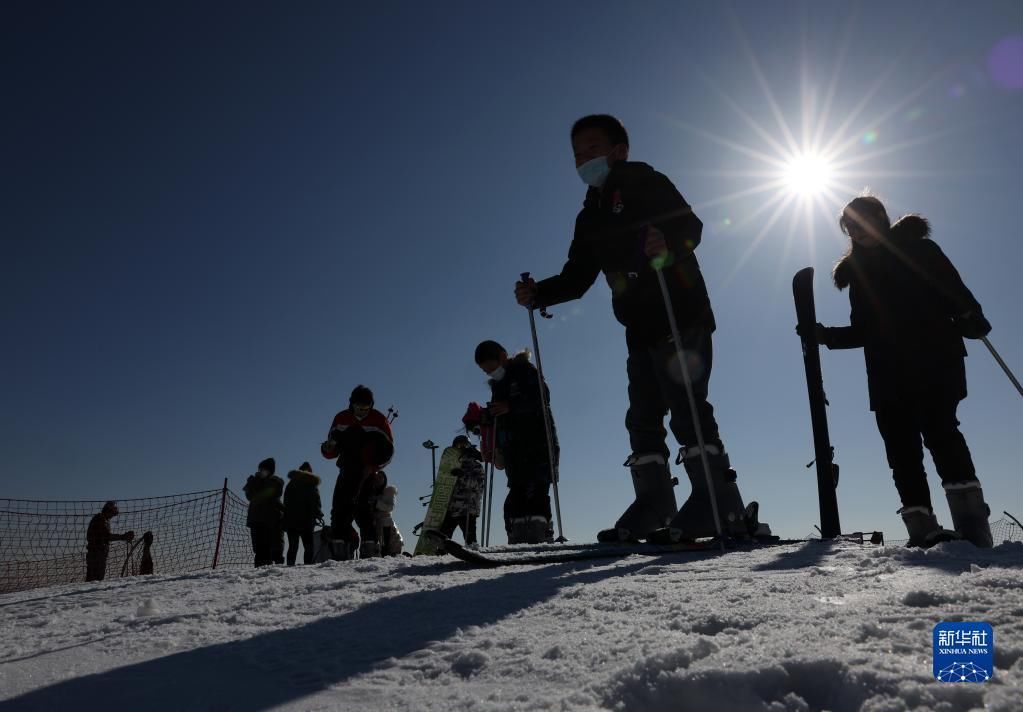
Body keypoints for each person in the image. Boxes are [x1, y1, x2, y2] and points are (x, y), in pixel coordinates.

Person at [514, 114, 750, 544]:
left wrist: (669, 241)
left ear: (619, 150)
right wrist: (540, 293)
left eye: (592, 149)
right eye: (577, 154)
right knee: (641, 413)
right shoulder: (589, 216)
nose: (584, 159)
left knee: (686, 404)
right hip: (638, 325)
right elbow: (578, 276)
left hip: (680, 310)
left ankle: (718, 502)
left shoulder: (644, 180)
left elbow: (690, 226)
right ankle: (655, 503)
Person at [807, 196, 994, 548]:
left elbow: (956, 292)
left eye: (863, 222)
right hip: (887, 370)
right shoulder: (859, 273)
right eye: (851, 228)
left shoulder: (919, 249)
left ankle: (972, 526)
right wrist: (826, 336)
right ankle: (923, 529)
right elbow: (864, 329)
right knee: (900, 448)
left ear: (880, 217)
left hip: (934, 357)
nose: (858, 232)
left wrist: (971, 315)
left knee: (940, 431)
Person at [474, 340, 557, 544]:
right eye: (486, 372)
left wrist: (511, 406)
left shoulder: (524, 370)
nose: (490, 374)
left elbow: (542, 397)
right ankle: (516, 535)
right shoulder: (498, 385)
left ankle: (540, 532)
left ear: (503, 356)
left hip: (538, 444)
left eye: (491, 368)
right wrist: (488, 423)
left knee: (535, 491)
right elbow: (500, 414)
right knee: (516, 497)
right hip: (514, 449)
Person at [321, 385, 395, 559]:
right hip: (346, 469)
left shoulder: (379, 420)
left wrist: (374, 467)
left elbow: (389, 451)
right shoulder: (341, 419)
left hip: (368, 471)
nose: (361, 412)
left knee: (364, 508)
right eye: (358, 408)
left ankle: (369, 547)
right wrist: (328, 449)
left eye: (365, 408)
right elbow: (331, 450)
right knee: (339, 508)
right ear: (351, 404)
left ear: (371, 406)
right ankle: (339, 547)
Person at [436, 435, 485, 546]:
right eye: (458, 446)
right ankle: (440, 553)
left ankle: (472, 552)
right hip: (452, 507)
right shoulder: (452, 464)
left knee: (470, 537)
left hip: (467, 508)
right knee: (443, 534)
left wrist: (462, 476)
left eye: (463, 445)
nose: (460, 448)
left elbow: (477, 485)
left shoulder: (475, 466)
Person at [243, 457, 285, 566]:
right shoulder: (255, 481)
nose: (261, 471)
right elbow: (250, 496)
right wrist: (254, 481)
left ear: (270, 471)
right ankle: (260, 570)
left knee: (270, 547)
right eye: (260, 469)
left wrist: (263, 481)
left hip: (269, 520)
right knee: (259, 548)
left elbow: (272, 494)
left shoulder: (275, 482)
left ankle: (269, 569)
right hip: (256, 520)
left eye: (264, 469)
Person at [283, 462, 323, 565]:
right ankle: (308, 568)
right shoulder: (312, 485)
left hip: (291, 521)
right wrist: (319, 514)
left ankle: (290, 567)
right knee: (308, 547)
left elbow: (286, 503)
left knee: (292, 547)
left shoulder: (290, 484)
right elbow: (316, 503)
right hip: (307, 522)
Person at [85, 500, 134, 581]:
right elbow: (106, 536)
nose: (112, 516)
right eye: (112, 514)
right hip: (96, 554)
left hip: (99, 553)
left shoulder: (103, 520)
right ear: (108, 511)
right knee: (94, 581)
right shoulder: (100, 520)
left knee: (95, 580)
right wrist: (123, 537)